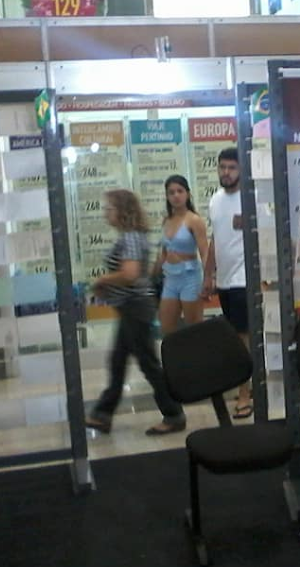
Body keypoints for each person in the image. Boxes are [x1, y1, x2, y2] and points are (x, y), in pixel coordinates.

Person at [86, 189, 186, 436]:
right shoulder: (130, 236)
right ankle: (102, 414)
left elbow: (130, 274)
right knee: (118, 360)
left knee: (148, 364)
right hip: (131, 308)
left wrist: (103, 280)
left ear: (122, 211)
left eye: (109, 208)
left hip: (135, 308)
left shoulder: (131, 237)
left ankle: (174, 414)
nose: (105, 213)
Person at [201, 147, 252, 419]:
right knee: (235, 336)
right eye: (222, 167)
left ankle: (245, 394)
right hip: (224, 280)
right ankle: (246, 385)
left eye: (232, 168)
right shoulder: (215, 200)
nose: (226, 172)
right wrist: (208, 274)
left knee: (244, 338)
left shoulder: (251, 198)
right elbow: (215, 239)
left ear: (242, 169)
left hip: (245, 279)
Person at [152, 175, 209, 335]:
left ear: (187, 194)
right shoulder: (167, 220)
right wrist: (152, 275)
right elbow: (163, 252)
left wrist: (208, 279)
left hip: (189, 277)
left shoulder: (194, 220)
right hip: (170, 278)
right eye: (171, 192)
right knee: (166, 327)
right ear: (167, 196)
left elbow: (204, 252)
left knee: (194, 329)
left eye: (180, 191)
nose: (176, 196)